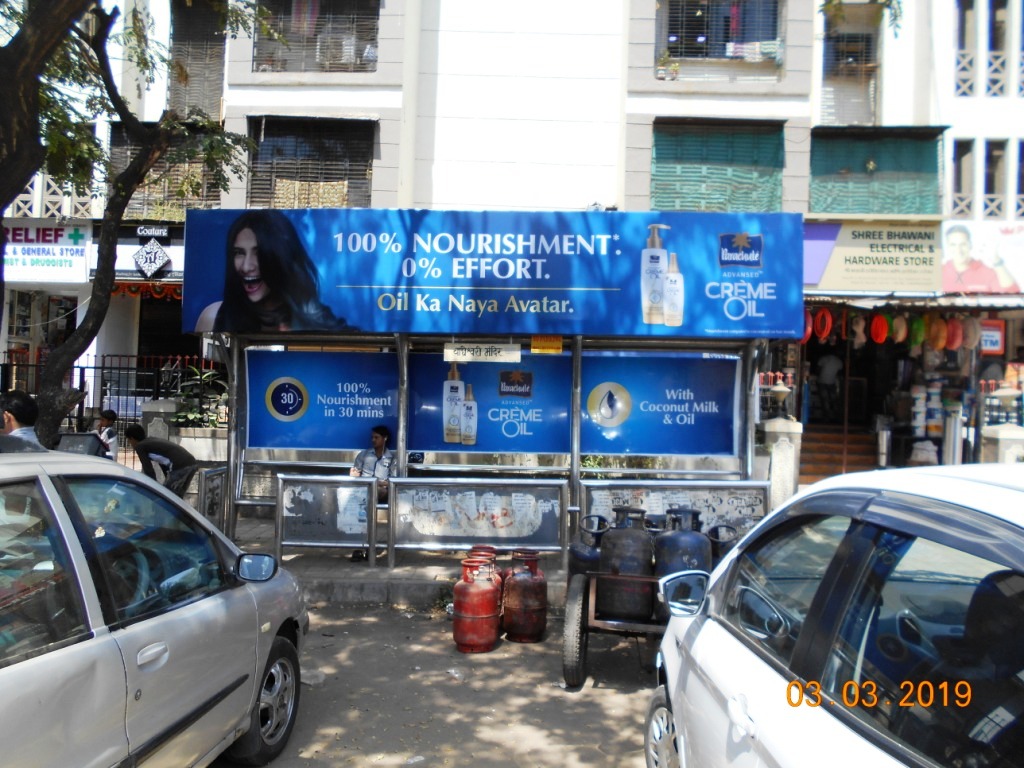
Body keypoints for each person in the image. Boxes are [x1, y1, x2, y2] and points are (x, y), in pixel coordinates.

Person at [195, 210, 354, 333]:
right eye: (239, 253)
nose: (246, 267)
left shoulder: (319, 322)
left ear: (280, 256)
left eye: (258, 252)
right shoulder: (213, 317)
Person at [124, 424, 198, 498]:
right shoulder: (150, 441)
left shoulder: (140, 446)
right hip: (191, 463)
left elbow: (148, 469)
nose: (130, 443)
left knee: (166, 497)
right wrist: (167, 478)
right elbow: (162, 462)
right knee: (177, 497)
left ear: (132, 438)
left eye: (129, 440)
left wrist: (153, 487)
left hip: (180, 465)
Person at [942, 224, 1020, 293]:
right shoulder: (940, 271)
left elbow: (1013, 292)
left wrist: (996, 260)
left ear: (970, 245)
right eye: (953, 245)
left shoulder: (985, 272)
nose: (958, 250)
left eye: (963, 244)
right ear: (947, 247)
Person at [350, 424, 396, 503]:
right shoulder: (364, 454)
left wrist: (377, 483)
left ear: (385, 438)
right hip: (363, 488)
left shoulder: (392, 458)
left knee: (381, 491)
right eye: (372, 437)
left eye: (376, 437)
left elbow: (394, 480)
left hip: (382, 489)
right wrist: (354, 475)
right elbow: (356, 473)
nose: (373, 440)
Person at [816, 342, 844, 423]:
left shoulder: (823, 358)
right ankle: (837, 418)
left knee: (825, 400)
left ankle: (826, 418)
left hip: (822, 381)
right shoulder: (839, 361)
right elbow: (839, 373)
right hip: (831, 382)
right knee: (834, 400)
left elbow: (818, 370)